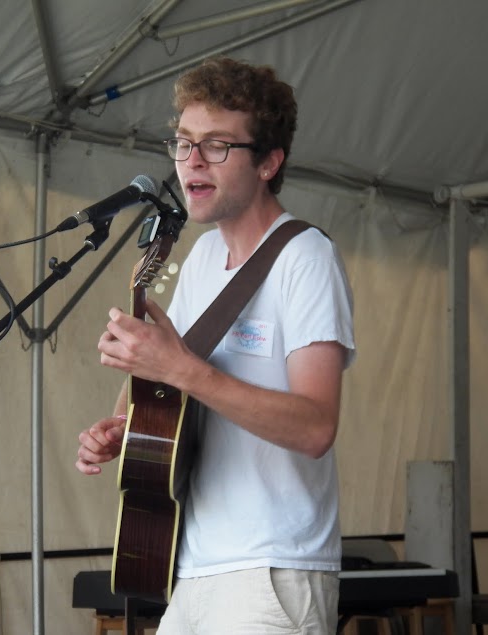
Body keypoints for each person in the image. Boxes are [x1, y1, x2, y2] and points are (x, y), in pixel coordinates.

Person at [75, 57, 356, 634]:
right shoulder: (202, 257)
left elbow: (315, 428)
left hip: (273, 569)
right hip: (192, 565)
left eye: (217, 145)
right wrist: (122, 428)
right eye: (183, 143)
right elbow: (166, 378)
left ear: (269, 162)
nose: (192, 161)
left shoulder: (306, 257)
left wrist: (179, 369)